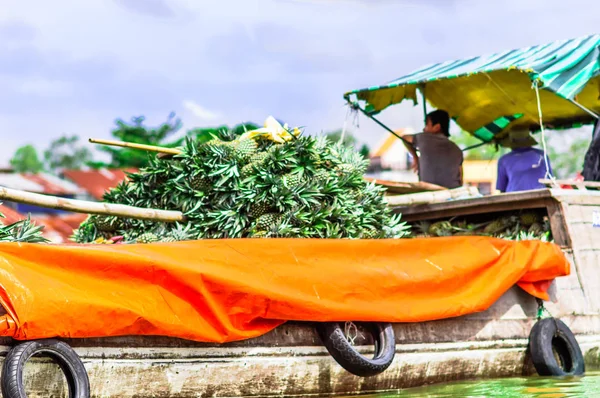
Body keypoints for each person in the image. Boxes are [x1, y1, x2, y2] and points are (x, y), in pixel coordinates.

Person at [400, 109, 463, 189]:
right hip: (453, 192)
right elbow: (460, 179)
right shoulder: (457, 150)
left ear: (437, 127)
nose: (424, 129)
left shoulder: (424, 138)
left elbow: (404, 138)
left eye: (426, 125)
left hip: (431, 193)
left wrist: (415, 157)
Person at [496, 127, 553, 193]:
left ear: (511, 143)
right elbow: (550, 182)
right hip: (541, 196)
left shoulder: (504, 160)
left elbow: (502, 189)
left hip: (514, 198)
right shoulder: (542, 155)